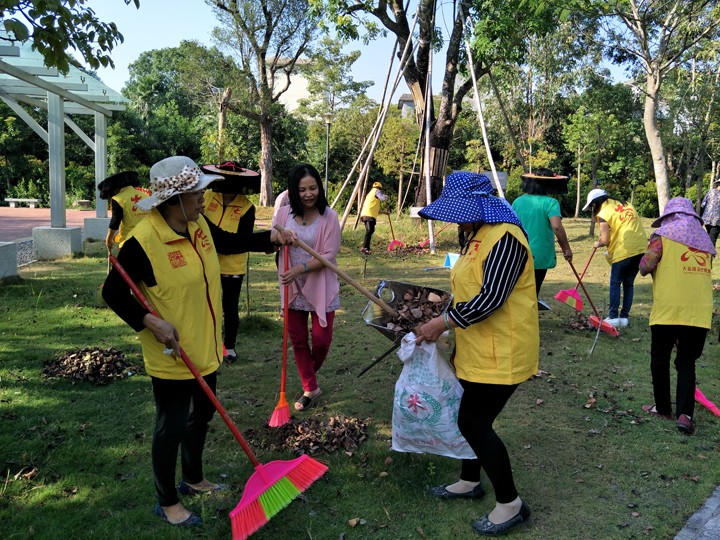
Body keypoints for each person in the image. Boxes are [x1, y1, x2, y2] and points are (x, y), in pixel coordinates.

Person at [102, 156, 292, 527]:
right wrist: (150, 321)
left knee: (202, 414)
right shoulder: (143, 242)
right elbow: (113, 292)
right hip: (172, 353)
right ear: (174, 200)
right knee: (170, 424)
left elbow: (229, 241)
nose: (206, 197)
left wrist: (270, 237)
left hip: (206, 344)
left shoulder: (198, 222)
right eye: (198, 192)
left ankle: (192, 477)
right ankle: (167, 501)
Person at [414, 171, 539, 537]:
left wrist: (442, 323)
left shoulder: (507, 238)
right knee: (464, 414)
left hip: (504, 351)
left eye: (460, 210)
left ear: (479, 205)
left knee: (474, 423)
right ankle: (470, 481)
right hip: (476, 347)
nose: (456, 218)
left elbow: (492, 298)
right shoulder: (477, 235)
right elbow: (468, 287)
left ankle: (511, 504)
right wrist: (434, 313)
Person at [638, 197, 716, 435]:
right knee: (686, 362)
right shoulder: (705, 240)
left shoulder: (662, 236)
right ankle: (685, 414)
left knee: (660, 357)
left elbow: (645, 266)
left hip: (668, 310)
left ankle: (662, 408)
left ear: (669, 216)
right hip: (699, 312)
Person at [272, 164, 341, 411]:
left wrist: (301, 269)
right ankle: (310, 386)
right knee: (299, 341)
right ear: (294, 191)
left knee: (321, 341)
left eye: (313, 188)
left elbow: (329, 255)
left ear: (320, 188)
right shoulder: (283, 215)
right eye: (302, 189)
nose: (309, 193)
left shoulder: (329, 217)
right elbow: (272, 239)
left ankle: (308, 372)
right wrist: (280, 238)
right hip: (291, 287)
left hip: (319, 284)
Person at [200, 161, 261, 364]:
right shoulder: (207, 197)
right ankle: (209, 343)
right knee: (207, 303)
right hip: (205, 260)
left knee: (230, 306)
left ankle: (230, 346)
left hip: (233, 265)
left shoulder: (247, 208)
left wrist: (220, 241)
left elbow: (242, 240)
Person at [582, 188, 647, 328]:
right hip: (641, 247)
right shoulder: (625, 204)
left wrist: (597, 243)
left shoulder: (603, 213)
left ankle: (612, 316)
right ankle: (624, 318)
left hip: (624, 248)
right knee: (628, 282)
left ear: (595, 204)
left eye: (591, 207)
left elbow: (604, 240)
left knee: (615, 282)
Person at [511, 168, 573, 309]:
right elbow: (557, 227)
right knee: (533, 290)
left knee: (518, 288)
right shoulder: (550, 203)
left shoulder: (518, 201)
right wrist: (567, 249)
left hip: (517, 251)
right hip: (539, 254)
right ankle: (528, 320)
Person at [97, 170, 150, 253]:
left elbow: (115, 221)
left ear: (117, 187)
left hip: (129, 242)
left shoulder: (118, 199)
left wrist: (109, 239)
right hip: (149, 241)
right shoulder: (146, 196)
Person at [359, 181, 388, 254]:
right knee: (370, 230)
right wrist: (385, 196)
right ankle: (365, 247)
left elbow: (375, 209)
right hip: (369, 215)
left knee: (370, 230)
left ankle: (366, 249)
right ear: (379, 188)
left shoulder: (370, 194)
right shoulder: (377, 191)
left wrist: (385, 212)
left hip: (365, 214)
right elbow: (383, 198)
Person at [701, 179, 720, 248]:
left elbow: (703, 204)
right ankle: (710, 256)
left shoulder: (710, 192)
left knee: (709, 236)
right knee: (712, 238)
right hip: (717, 220)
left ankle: (706, 253)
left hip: (707, 218)